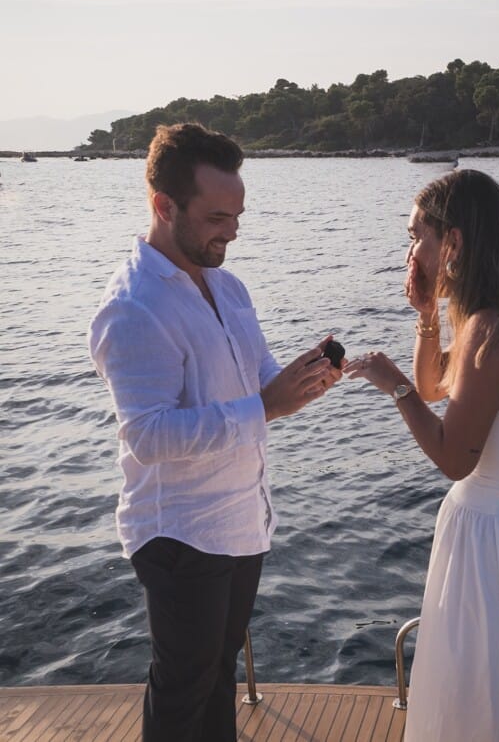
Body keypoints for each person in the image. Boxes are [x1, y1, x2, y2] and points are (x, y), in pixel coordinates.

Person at [88, 122, 341, 742]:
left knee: (217, 678)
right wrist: (266, 407)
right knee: (183, 691)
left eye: (238, 214)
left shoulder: (228, 286)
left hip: (240, 520)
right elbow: (147, 435)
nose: (232, 230)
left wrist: (303, 381)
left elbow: (259, 378)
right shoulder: (133, 307)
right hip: (179, 534)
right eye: (217, 216)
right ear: (163, 206)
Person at [344, 168, 499, 742]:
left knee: (467, 700)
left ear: (455, 242)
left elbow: (453, 458)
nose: (411, 248)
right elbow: (436, 387)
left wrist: (392, 385)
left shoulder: (490, 331)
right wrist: (425, 316)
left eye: (418, 234)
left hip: (486, 540)